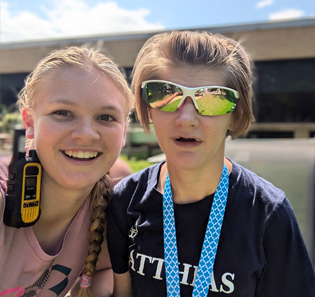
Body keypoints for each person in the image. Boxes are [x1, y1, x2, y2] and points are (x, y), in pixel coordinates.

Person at [107, 31, 315, 297]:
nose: (186, 118)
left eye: (212, 98)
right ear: (148, 108)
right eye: (167, 95)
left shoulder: (268, 214)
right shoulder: (125, 200)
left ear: (235, 114)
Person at [0, 46, 133, 297]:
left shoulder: (110, 212)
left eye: (105, 117)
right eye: (63, 113)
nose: (85, 134)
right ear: (29, 123)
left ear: (124, 132)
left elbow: (103, 272)